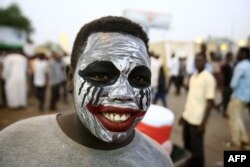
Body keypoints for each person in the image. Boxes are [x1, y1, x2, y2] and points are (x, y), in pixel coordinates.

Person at [0, 16, 173, 167]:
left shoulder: (159, 161)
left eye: (140, 79)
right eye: (100, 75)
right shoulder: (11, 144)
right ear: (70, 79)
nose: (123, 93)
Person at [179, 53, 216, 167]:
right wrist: (183, 114)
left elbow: (210, 102)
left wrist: (203, 124)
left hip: (197, 121)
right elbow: (191, 97)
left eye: (200, 60)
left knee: (197, 150)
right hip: (188, 117)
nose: (197, 63)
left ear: (205, 61)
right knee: (187, 145)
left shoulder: (208, 78)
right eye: (196, 60)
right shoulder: (193, 76)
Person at [227, 47, 250, 150]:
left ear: (244, 54)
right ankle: (244, 138)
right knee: (238, 118)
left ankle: (236, 142)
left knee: (233, 119)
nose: (237, 54)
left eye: (239, 53)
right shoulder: (248, 65)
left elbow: (233, 83)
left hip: (238, 96)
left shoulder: (240, 66)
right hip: (246, 97)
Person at [220, 52, 233, 118]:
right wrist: (222, 86)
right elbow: (222, 76)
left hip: (229, 85)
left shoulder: (230, 65)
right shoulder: (224, 66)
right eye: (230, 57)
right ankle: (224, 112)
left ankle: (222, 109)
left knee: (227, 100)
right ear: (227, 57)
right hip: (225, 85)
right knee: (225, 100)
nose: (231, 58)